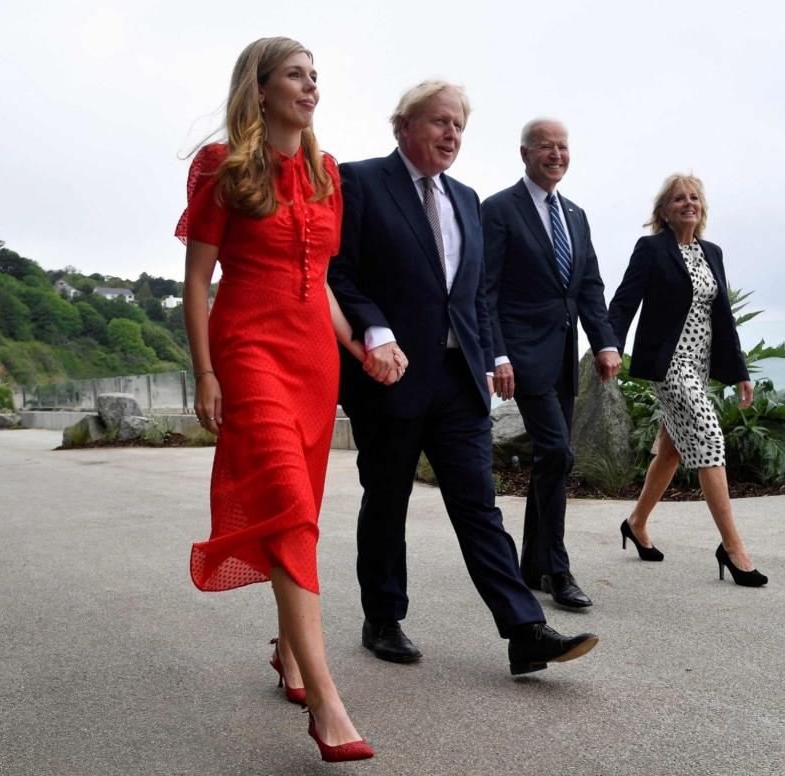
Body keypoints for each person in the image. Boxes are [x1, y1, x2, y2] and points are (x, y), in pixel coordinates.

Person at [327, 81, 600, 675]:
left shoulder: (466, 198)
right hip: (389, 376)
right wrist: (375, 332)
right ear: (404, 127)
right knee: (387, 500)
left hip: (458, 383)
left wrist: (489, 357)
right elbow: (338, 274)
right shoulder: (361, 180)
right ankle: (383, 617)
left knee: (479, 506)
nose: (451, 135)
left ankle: (525, 629)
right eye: (439, 123)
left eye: (459, 127)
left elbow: (475, 294)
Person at [177, 37, 374, 762]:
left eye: (316, 75)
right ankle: (327, 703)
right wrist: (205, 374)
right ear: (259, 89)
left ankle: (289, 654)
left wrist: (361, 345)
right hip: (249, 351)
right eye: (296, 74)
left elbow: (318, 280)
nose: (311, 86)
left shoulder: (326, 175)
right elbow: (197, 281)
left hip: (314, 361)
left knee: (304, 513)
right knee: (288, 506)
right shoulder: (220, 166)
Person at [482, 118, 622, 609]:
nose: (556, 154)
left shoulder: (576, 215)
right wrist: (496, 354)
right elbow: (487, 290)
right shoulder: (498, 210)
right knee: (559, 453)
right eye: (546, 146)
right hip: (521, 356)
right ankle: (558, 571)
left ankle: (531, 565)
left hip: (563, 357)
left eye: (563, 146)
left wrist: (604, 342)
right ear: (525, 153)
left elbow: (589, 287)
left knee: (550, 459)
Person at [607, 173, 769, 587]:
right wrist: (607, 346)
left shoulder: (711, 252)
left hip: (700, 366)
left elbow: (723, 317)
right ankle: (732, 547)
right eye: (679, 198)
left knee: (672, 449)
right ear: (664, 210)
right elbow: (625, 301)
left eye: (694, 197)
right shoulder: (651, 249)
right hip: (669, 364)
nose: (688, 203)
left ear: (702, 208)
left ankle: (636, 521)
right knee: (709, 437)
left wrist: (739, 373)